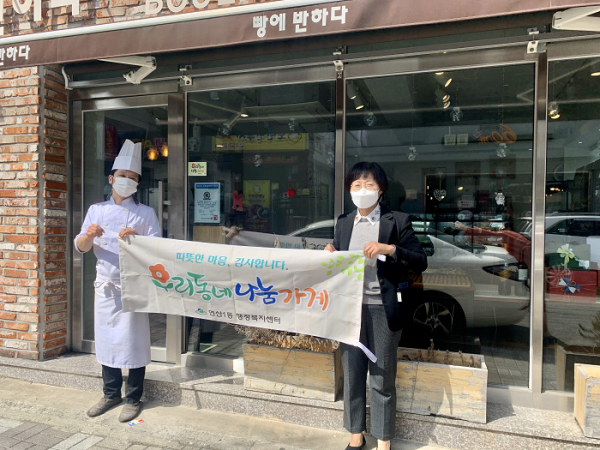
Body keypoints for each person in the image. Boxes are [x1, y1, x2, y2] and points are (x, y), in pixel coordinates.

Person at [325, 162, 427, 450]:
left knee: (382, 377)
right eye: (356, 185)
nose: (362, 190)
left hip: (383, 309)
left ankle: (383, 442)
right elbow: (339, 261)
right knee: (352, 374)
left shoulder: (397, 221)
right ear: (349, 190)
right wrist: (330, 252)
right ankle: (355, 437)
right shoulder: (344, 222)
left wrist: (389, 249)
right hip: (349, 310)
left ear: (380, 189)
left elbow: (420, 260)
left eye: (369, 184)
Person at [74, 140, 161, 423]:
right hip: (105, 284)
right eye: (122, 175)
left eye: (132, 178)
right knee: (107, 338)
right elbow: (81, 246)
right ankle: (110, 394)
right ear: (111, 179)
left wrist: (136, 239)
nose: (127, 181)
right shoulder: (96, 210)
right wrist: (89, 235)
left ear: (137, 184)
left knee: (134, 341)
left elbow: (157, 249)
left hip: (133, 284)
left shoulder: (146, 214)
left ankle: (134, 397)